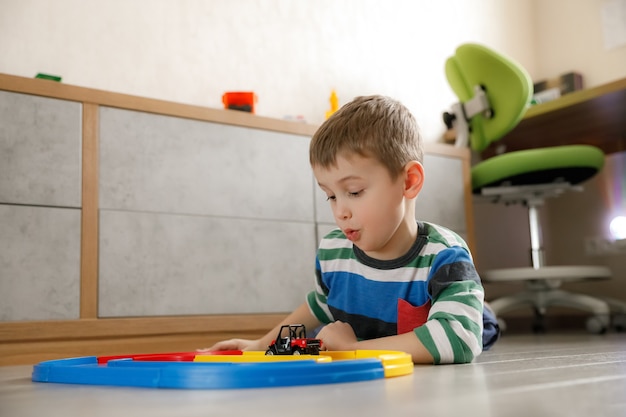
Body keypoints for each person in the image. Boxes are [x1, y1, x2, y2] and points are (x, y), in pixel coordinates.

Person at [207, 95, 499, 364]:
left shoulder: (445, 256)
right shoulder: (334, 251)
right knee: (325, 332)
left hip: (460, 320)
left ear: (408, 182)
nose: (340, 211)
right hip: (369, 332)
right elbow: (320, 305)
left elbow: (460, 340)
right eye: (330, 196)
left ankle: (479, 307)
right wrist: (259, 344)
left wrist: (351, 350)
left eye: (355, 192)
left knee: (477, 324)